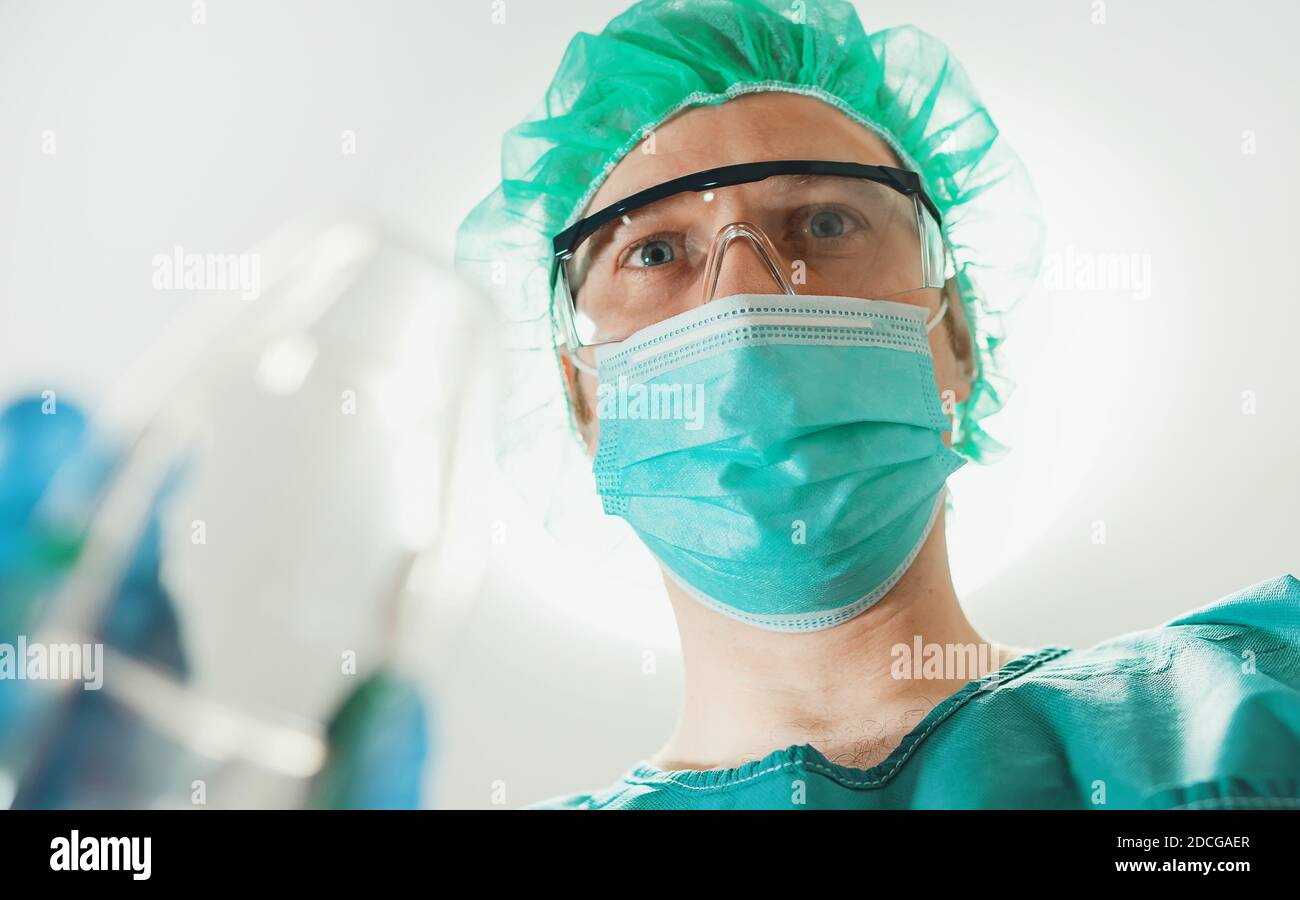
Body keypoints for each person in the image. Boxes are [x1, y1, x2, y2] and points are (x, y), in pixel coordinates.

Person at [456, 0, 1300, 809]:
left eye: (825, 223)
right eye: (655, 251)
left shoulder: (1254, 706)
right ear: (583, 398)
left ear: (957, 333)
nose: (743, 309)